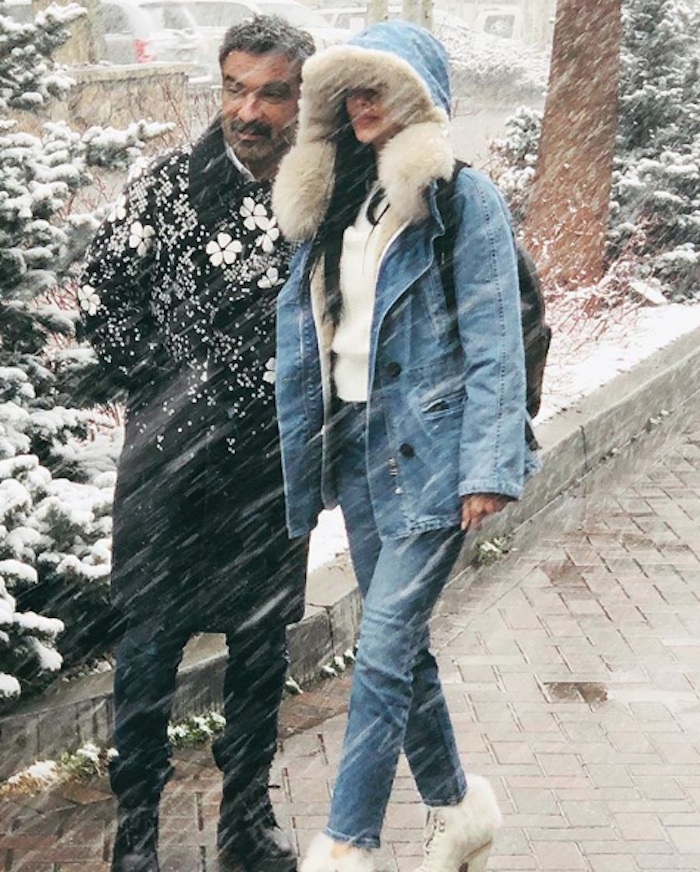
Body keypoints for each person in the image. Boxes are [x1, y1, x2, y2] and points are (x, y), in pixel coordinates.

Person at [272, 19, 538, 872]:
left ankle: (346, 844)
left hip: (433, 453)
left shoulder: (460, 199)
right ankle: (459, 810)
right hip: (358, 451)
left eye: (378, 86)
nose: (362, 102)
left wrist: (487, 464)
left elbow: (496, 340)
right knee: (402, 650)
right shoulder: (342, 204)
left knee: (382, 649)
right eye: (350, 88)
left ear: (417, 98)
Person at [78, 16, 315, 872]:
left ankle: (246, 821)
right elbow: (100, 303)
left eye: (272, 94)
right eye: (235, 89)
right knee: (147, 655)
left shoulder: (320, 200)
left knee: (261, 653)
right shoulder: (164, 190)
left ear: (301, 99)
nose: (248, 112)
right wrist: (174, 383)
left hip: (268, 472)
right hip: (166, 476)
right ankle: (136, 831)